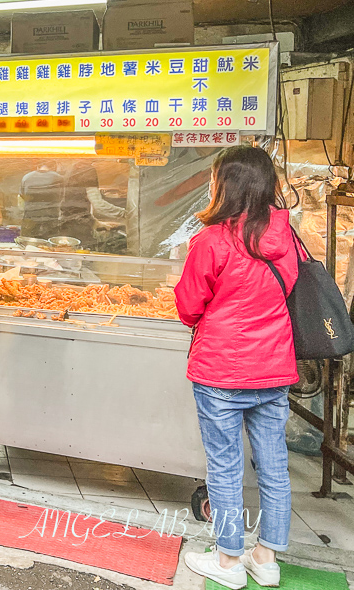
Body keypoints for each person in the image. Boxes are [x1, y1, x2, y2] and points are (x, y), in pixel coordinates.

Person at [176, 145, 298, 590]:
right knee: (274, 465)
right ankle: (265, 559)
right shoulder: (288, 239)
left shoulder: (211, 241)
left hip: (221, 371)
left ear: (222, 185)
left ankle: (228, 561)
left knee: (225, 468)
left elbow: (189, 307)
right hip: (274, 368)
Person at [59, 160, 125, 247]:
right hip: (78, 228)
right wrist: (126, 213)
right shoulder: (87, 171)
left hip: (67, 224)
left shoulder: (72, 167)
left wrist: (96, 222)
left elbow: (73, 205)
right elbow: (99, 205)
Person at [19, 161, 64, 240]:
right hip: (51, 218)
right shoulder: (59, 178)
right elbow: (62, 197)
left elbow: (22, 195)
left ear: (37, 166)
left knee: (28, 244)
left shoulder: (26, 177)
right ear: (54, 166)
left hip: (30, 217)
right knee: (49, 246)